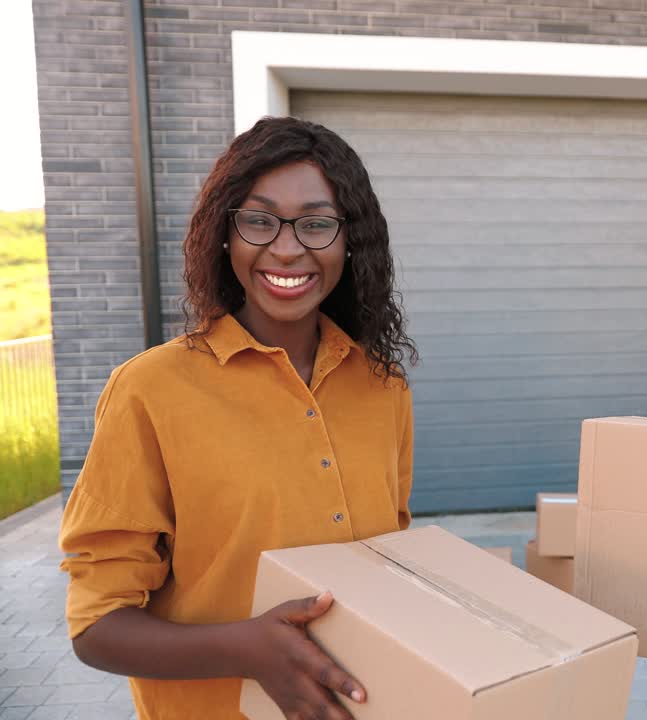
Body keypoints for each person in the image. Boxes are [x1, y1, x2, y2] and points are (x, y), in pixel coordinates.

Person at [58, 116, 418, 720]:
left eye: (317, 222)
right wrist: (247, 648)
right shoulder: (149, 390)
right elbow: (96, 626)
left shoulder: (383, 388)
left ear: (349, 239)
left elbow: (391, 562)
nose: (286, 247)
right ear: (224, 234)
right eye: (258, 219)